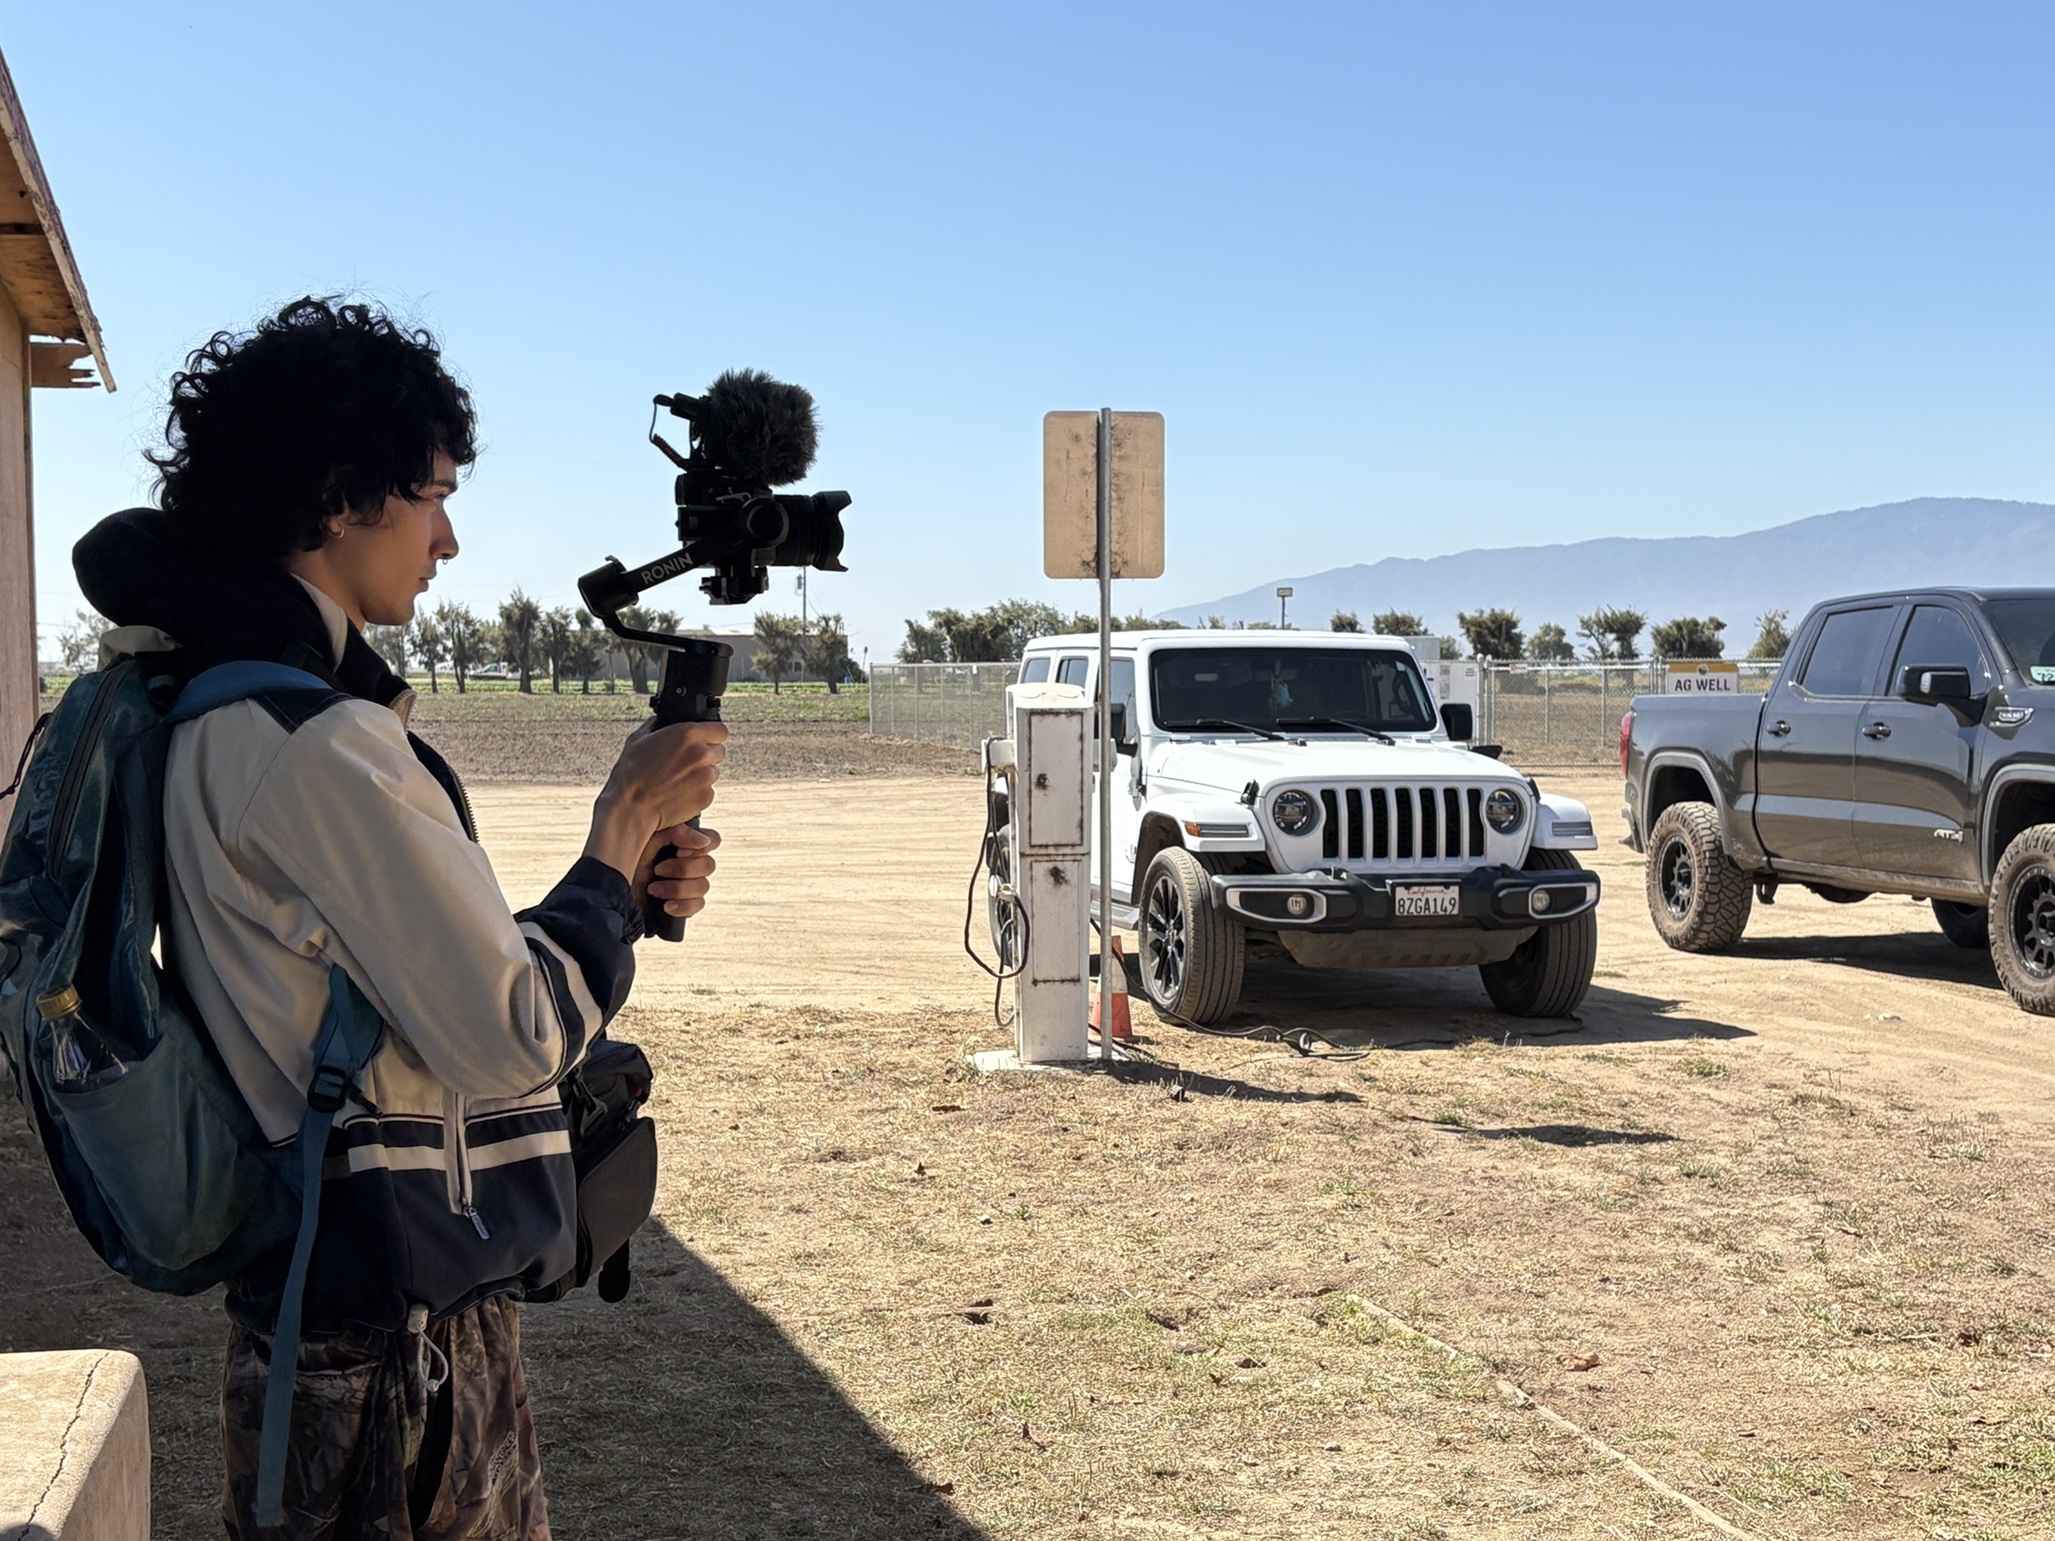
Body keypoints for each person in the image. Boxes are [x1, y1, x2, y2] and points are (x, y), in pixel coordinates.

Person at [72, 296, 725, 1539]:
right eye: (432, 495)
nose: (449, 539)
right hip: (385, 1351)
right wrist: (621, 823)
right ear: (336, 495)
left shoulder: (246, 710)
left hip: (360, 1317)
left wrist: (617, 896)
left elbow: (408, 992)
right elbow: (514, 1032)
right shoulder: (309, 742)